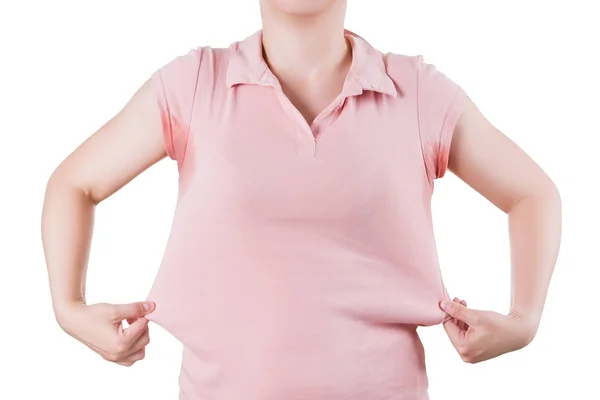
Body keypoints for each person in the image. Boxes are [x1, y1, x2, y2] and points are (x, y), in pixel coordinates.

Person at [41, 0, 562, 399]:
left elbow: (532, 192)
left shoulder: (419, 93)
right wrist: (69, 309)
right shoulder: (195, 85)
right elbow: (74, 184)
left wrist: (525, 318)